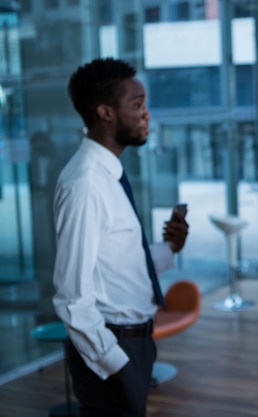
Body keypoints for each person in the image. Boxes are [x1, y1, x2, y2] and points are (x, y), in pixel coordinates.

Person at [52, 57, 189, 417]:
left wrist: (170, 247)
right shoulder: (85, 183)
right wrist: (116, 364)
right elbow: (70, 296)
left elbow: (118, 265)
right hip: (111, 348)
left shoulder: (108, 174)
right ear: (105, 112)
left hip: (136, 340)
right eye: (137, 104)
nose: (147, 114)